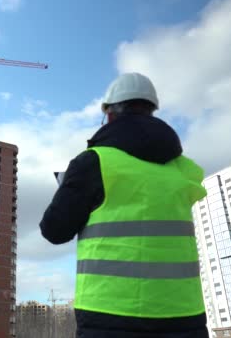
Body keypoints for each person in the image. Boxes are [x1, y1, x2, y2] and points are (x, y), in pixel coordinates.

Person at [39, 73, 209, 338]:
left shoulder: (93, 162)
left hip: (108, 313)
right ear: (151, 110)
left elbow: (54, 231)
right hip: (184, 314)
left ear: (109, 114)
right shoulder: (184, 169)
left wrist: (70, 187)